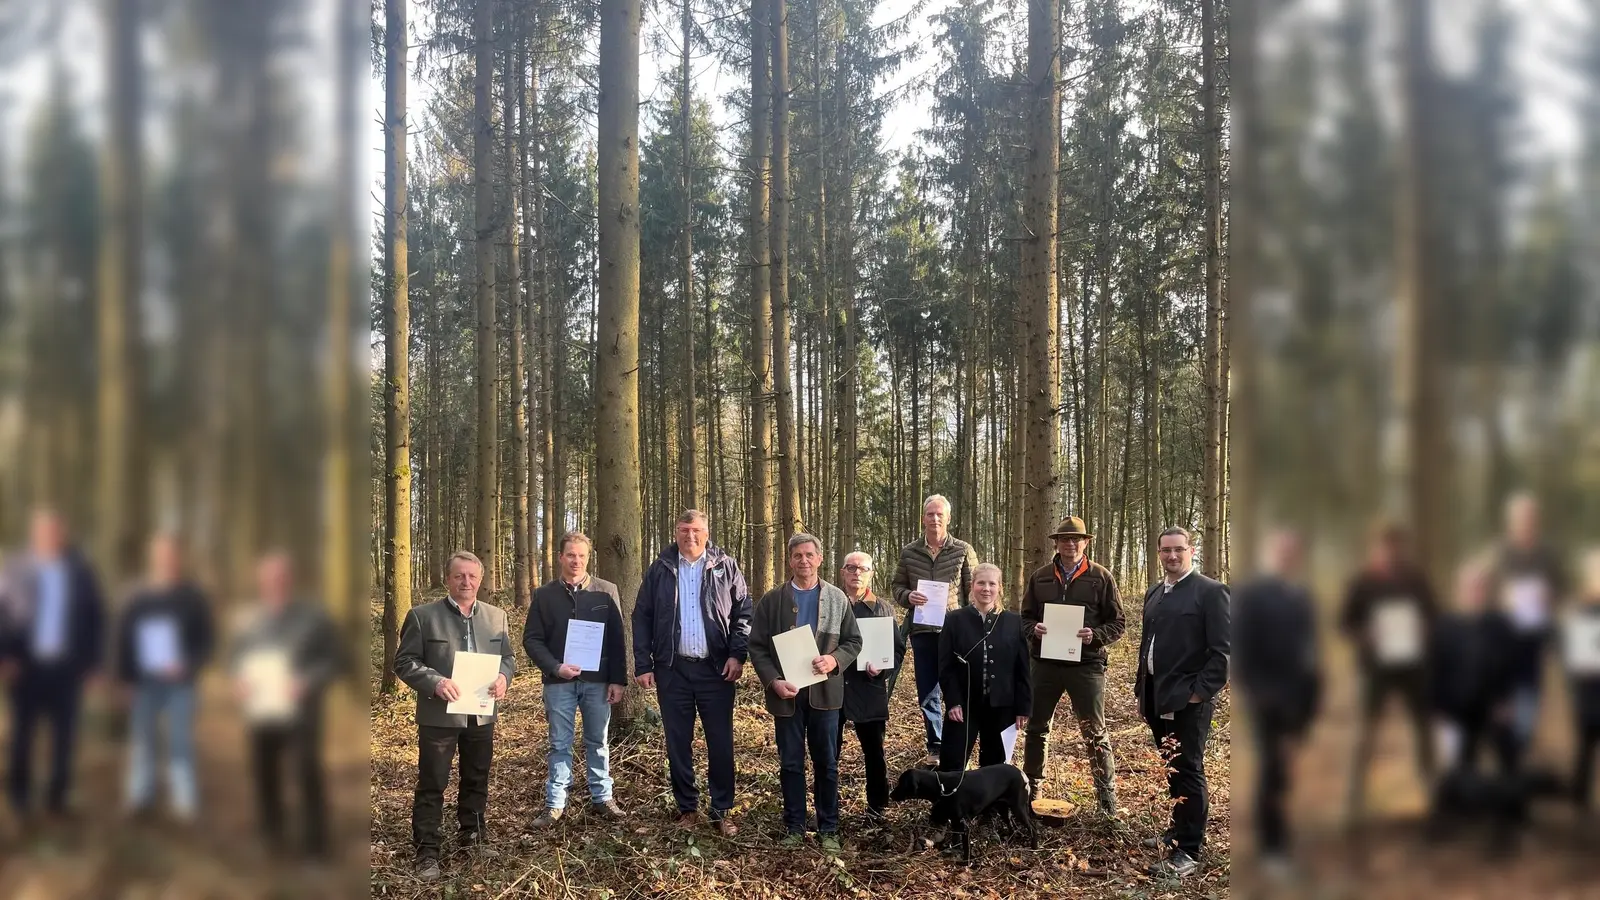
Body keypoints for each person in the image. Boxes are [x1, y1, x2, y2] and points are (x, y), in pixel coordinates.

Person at [394, 551, 516, 881]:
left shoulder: (497, 617)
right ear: (448, 578)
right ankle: (427, 851)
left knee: (476, 777)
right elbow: (404, 662)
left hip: (481, 714)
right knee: (433, 782)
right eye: (459, 575)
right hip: (439, 716)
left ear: (481, 579)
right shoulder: (422, 616)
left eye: (472, 576)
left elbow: (507, 658)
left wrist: (504, 677)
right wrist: (435, 682)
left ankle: (472, 837)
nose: (466, 582)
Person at [633, 509, 753, 837]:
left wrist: (737, 654)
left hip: (717, 670)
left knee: (720, 742)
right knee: (677, 743)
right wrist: (643, 664)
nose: (690, 536)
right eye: (684, 530)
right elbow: (642, 616)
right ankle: (687, 808)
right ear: (676, 532)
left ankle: (721, 810)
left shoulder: (725, 566)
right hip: (672, 670)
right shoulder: (660, 568)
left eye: (696, 530)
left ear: (706, 532)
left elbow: (743, 612)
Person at [749, 534, 862, 851]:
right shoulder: (772, 601)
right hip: (786, 695)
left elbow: (854, 641)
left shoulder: (837, 598)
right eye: (797, 555)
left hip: (825, 695)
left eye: (810, 555)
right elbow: (756, 647)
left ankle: (829, 828)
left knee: (827, 763)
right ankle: (794, 827)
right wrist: (773, 681)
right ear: (789, 560)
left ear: (820, 559)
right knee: (791, 763)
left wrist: (834, 660)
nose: (804, 561)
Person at [228, 550, 343, 858]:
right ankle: (271, 837)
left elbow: (334, 661)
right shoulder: (249, 621)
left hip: (301, 713)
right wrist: (238, 680)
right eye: (269, 578)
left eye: (281, 577)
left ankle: (316, 846)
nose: (275, 583)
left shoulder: (315, 618)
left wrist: (306, 682)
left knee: (306, 773)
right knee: (264, 773)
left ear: (291, 579)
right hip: (262, 711)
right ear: (260, 581)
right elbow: (236, 659)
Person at [1135, 526, 1229, 878]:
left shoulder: (1211, 592)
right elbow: (1147, 646)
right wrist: (1141, 691)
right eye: (1165, 550)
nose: (1172, 556)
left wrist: (1197, 694)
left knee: (1188, 769)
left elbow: (1223, 653)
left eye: (1178, 549)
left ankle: (1188, 850)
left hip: (1188, 700)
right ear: (1159, 553)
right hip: (1156, 695)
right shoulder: (1155, 592)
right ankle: (1177, 830)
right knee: (1171, 766)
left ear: (1192, 550)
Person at [0, 508, 107, 819]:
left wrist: (94, 664)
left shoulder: (81, 571)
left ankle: (58, 797)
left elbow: (96, 618)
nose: (50, 536)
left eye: (56, 531)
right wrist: (3, 656)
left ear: (64, 534)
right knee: (22, 736)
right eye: (44, 531)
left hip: (67, 669)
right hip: (25, 668)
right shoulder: (13, 568)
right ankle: (19, 796)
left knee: (65, 738)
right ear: (33, 533)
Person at [1019, 515, 1124, 813]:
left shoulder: (1101, 577)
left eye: (1076, 539)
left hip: (1086, 665)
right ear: (1056, 543)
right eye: (1064, 539)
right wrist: (1033, 629)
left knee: (1095, 732)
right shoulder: (1040, 577)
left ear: (1085, 543)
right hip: (1045, 664)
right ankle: (1032, 794)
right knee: (1036, 728)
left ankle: (1107, 802)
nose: (1070, 544)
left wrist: (1095, 635)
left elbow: (1118, 622)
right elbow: (1024, 618)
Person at [522, 531, 627, 826]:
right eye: (571, 555)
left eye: (581, 555)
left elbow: (617, 639)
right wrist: (555, 667)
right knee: (559, 743)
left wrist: (618, 680)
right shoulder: (544, 595)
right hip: (559, 682)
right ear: (560, 557)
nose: (576, 561)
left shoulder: (606, 591)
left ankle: (602, 798)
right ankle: (555, 804)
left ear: (588, 558)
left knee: (598, 741)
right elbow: (532, 639)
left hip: (598, 682)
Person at [1233, 529, 1321, 876]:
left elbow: (1309, 652)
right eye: (1281, 551)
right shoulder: (1254, 595)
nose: (1287, 557)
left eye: (1292, 552)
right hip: (1267, 701)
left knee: (1287, 772)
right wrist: (1260, 695)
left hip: (1298, 700)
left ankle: (1284, 837)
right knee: (1271, 770)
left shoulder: (1302, 597)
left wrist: (1311, 700)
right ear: (1271, 554)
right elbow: (1242, 651)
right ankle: (1271, 848)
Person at [1340, 522, 1438, 820]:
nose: (1391, 553)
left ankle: (1435, 795)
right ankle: (1354, 803)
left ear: (1402, 549)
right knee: (1366, 732)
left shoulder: (1416, 581)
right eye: (1385, 547)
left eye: (1396, 547)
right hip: (1376, 670)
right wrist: (1366, 635)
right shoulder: (1363, 582)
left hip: (1413, 669)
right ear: (1376, 549)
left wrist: (1425, 630)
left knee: (1424, 729)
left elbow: (1435, 616)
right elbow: (1345, 623)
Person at [115, 533, 215, 823]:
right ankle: (140, 797)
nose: (166, 559)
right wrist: (124, 680)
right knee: (142, 741)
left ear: (180, 558)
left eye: (172, 554)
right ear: (152, 557)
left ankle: (184, 802)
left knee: (180, 742)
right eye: (161, 554)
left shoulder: (194, 597)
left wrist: (188, 665)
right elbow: (123, 639)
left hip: (180, 683)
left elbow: (207, 641)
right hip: (143, 681)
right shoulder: (136, 596)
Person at [891, 494, 980, 767]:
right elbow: (897, 587)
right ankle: (936, 745)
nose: (935, 519)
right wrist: (908, 596)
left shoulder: (963, 550)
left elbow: (974, 590)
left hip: (955, 632)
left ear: (948, 518)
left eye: (940, 514)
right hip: (922, 632)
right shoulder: (909, 552)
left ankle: (958, 746)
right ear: (923, 519)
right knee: (928, 691)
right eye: (930, 514)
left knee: (958, 689)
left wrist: (970, 622)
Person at [1489, 492, 1568, 773]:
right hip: (1503, 641)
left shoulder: (1548, 555)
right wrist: (1501, 600)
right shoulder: (1498, 554)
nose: (1526, 523)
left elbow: (1563, 589)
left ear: (1538, 521)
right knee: (1502, 702)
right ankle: (1505, 760)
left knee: (1529, 703)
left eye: (1531, 518)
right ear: (1510, 521)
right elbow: (1483, 593)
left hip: (1534, 641)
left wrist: (1551, 597)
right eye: (1521, 518)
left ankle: (1520, 752)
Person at [937, 563, 1031, 772]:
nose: (986, 589)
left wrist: (1023, 707)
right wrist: (953, 701)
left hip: (1002, 705)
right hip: (964, 705)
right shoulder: (954, 620)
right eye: (981, 583)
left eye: (992, 584)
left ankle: (988, 796)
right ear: (972, 586)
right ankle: (953, 794)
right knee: (952, 763)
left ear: (1000, 588)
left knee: (995, 767)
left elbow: (1022, 668)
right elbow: (945, 666)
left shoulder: (1013, 622)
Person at [1428, 561, 1514, 786]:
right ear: (1459, 590)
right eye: (1470, 587)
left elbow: (1508, 667)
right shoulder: (1444, 626)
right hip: (1456, 710)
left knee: (1509, 758)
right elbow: (1436, 670)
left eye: (1480, 587)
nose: (1475, 592)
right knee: (1459, 769)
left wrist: (1504, 701)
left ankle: (1508, 801)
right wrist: (1439, 712)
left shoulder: (1500, 625)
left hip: (1492, 706)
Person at [836, 550, 905, 822]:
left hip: (869, 689)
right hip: (834, 688)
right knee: (829, 752)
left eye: (862, 569)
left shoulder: (882, 608)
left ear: (871, 574)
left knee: (874, 752)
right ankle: (827, 807)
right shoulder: (832, 603)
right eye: (851, 568)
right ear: (842, 572)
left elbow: (897, 650)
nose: (856, 573)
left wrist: (883, 669)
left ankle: (878, 806)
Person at [1563, 549, 1600, 808]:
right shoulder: (1578, 609)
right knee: (1586, 746)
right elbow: (1572, 655)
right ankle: (1579, 801)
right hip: (1588, 689)